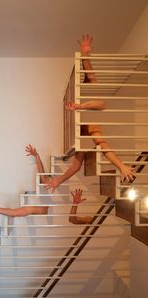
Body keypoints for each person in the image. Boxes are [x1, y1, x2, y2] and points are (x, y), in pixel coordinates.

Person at [46, 34, 135, 192]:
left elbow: (101, 104)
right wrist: (57, 181)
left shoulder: (91, 127)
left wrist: (121, 166)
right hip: (88, 105)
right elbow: (76, 166)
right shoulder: (85, 131)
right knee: (93, 85)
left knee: (94, 88)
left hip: (91, 105)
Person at [0, 144, 49, 217]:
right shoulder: (46, 193)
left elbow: (14, 213)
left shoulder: (44, 204)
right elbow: (14, 213)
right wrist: (36, 155)